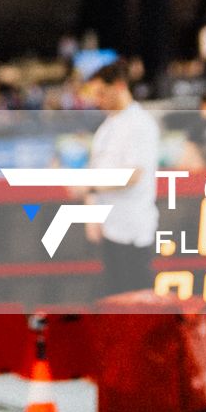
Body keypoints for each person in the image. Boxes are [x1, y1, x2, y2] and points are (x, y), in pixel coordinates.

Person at [81, 62, 159, 299]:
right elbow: (95, 171)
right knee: (114, 303)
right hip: (109, 230)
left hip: (133, 232)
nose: (97, 100)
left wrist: (89, 185)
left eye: (101, 93)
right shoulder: (106, 129)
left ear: (119, 86)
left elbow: (133, 174)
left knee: (137, 305)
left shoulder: (140, 124)